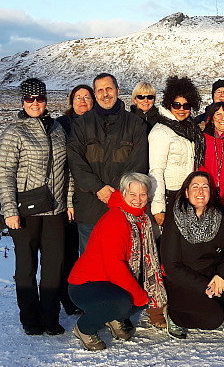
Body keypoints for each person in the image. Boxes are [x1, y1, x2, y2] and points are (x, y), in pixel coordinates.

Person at [0, 78, 71, 336]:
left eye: (40, 99)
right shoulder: (14, 132)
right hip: (25, 210)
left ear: (46, 100)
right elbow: (5, 172)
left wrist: (69, 201)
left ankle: (50, 318)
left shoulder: (57, 129)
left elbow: (66, 170)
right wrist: (10, 210)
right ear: (23, 101)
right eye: (30, 99)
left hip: (55, 210)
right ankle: (30, 319)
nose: (35, 104)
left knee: (54, 266)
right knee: (26, 267)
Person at [68, 172, 167, 351]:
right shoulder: (116, 220)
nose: (138, 199)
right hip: (87, 285)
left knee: (151, 288)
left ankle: (114, 318)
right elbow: (115, 266)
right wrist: (139, 295)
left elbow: (146, 256)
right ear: (123, 194)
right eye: (132, 194)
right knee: (125, 301)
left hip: (110, 282)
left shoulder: (142, 218)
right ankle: (85, 328)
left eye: (142, 194)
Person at [161, 171, 224, 341]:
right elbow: (172, 267)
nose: (200, 191)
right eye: (195, 186)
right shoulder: (173, 220)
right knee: (212, 320)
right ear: (186, 192)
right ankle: (174, 315)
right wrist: (205, 285)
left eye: (205, 187)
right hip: (185, 280)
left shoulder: (221, 216)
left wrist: (222, 276)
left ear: (211, 192)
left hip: (215, 274)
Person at [67, 73, 148, 254]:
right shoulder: (82, 124)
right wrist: (98, 188)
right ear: (95, 94)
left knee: (122, 260)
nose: (105, 94)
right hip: (90, 207)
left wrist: (114, 191)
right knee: (91, 263)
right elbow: (75, 160)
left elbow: (138, 162)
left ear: (117, 91)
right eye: (100, 90)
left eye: (109, 89)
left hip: (123, 206)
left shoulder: (135, 124)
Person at [56, 84, 96, 316]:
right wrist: (68, 199)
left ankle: (85, 295)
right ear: (71, 101)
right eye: (78, 97)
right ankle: (68, 297)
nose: (82, 101)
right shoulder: (63, 125)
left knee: (88, 252)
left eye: (86, 97)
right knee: (67, 251)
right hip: (67, 196)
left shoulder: (98, 124)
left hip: (90, 197)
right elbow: (65, 165)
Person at [148, 75, 205, 227]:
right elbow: (156, 171)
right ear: (169, 104)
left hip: (186, 194)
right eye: (177, 105)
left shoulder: (190, 129)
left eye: (186, 106)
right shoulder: (161, 132)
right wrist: (158, 207)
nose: (181, 109)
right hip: (169, 196)